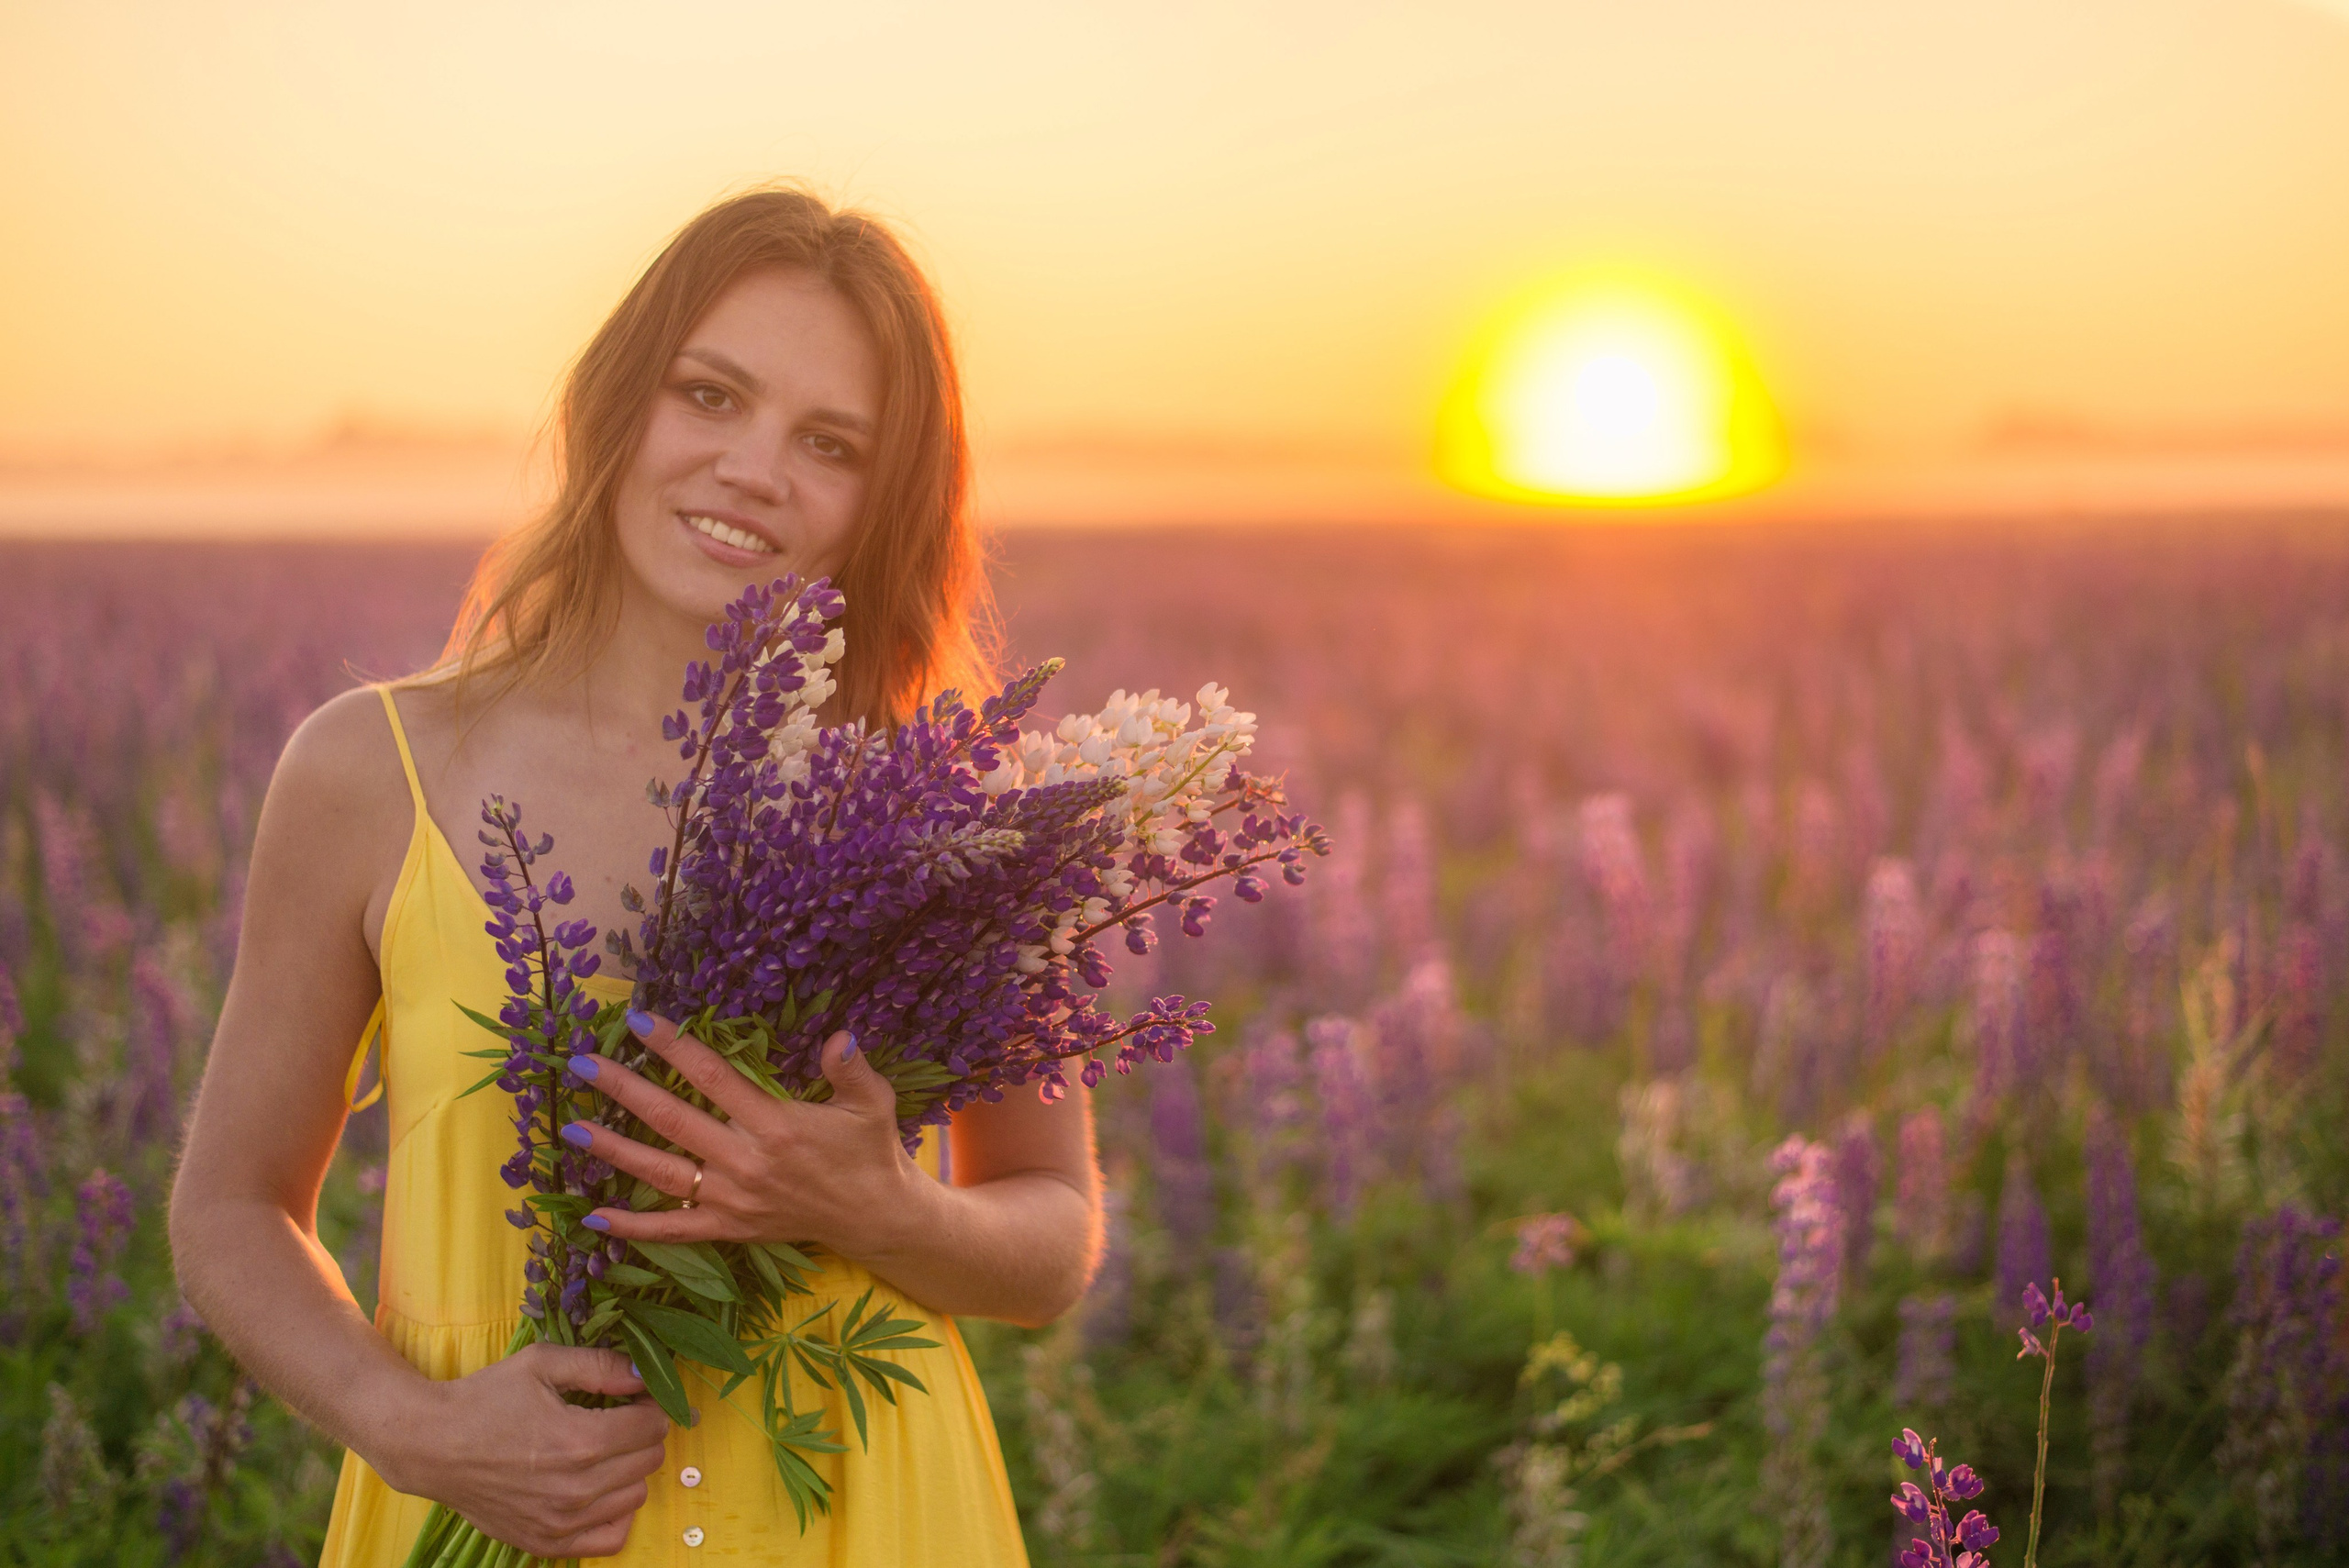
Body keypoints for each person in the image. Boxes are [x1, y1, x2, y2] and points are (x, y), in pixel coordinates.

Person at [170, 187, 1096, 1565]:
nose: (752, 470)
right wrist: (410, 1424)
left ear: (878, 502)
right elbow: (230, 1206)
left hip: (860, 1506)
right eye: (709, 395)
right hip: (492, 1491)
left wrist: (882, 1207)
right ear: (620, 402)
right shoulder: (372, 770)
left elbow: (1052, 1236)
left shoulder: (949, 818)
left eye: (829, 443)